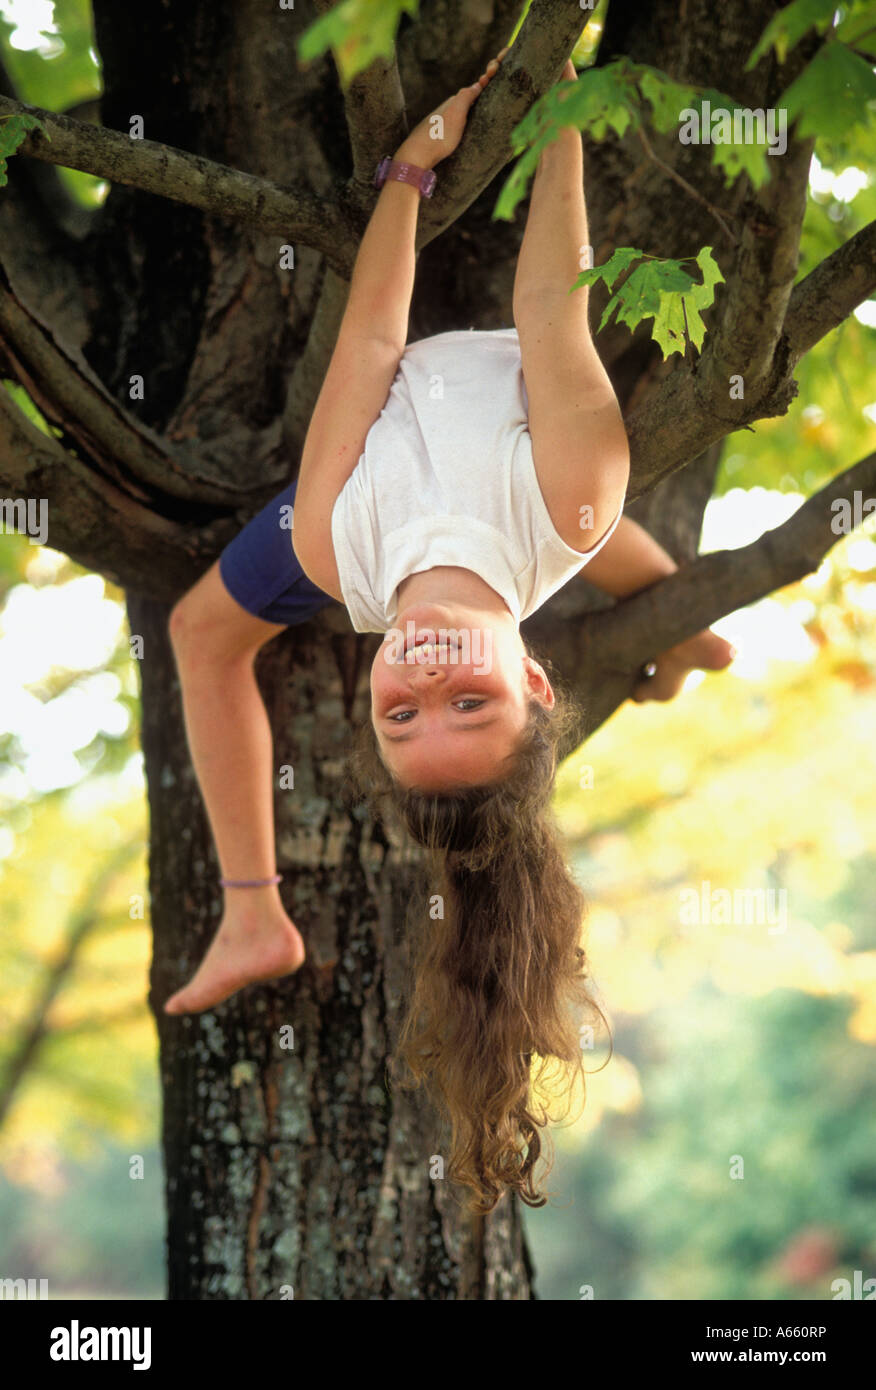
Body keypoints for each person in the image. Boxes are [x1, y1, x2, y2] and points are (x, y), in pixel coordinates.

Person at [165, 52, 734, 1210]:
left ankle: (250, 910)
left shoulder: (326, 548)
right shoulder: (573, 493)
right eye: (469, 701)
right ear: (532, 676)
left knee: (200, 630)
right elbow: (543, 309)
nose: (421, 678)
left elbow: (370, 354)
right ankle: (675, 627)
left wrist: (407, 182)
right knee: (582, 515)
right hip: (526, 453)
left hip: (376, 510)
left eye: (400, 713)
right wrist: (559, 113)